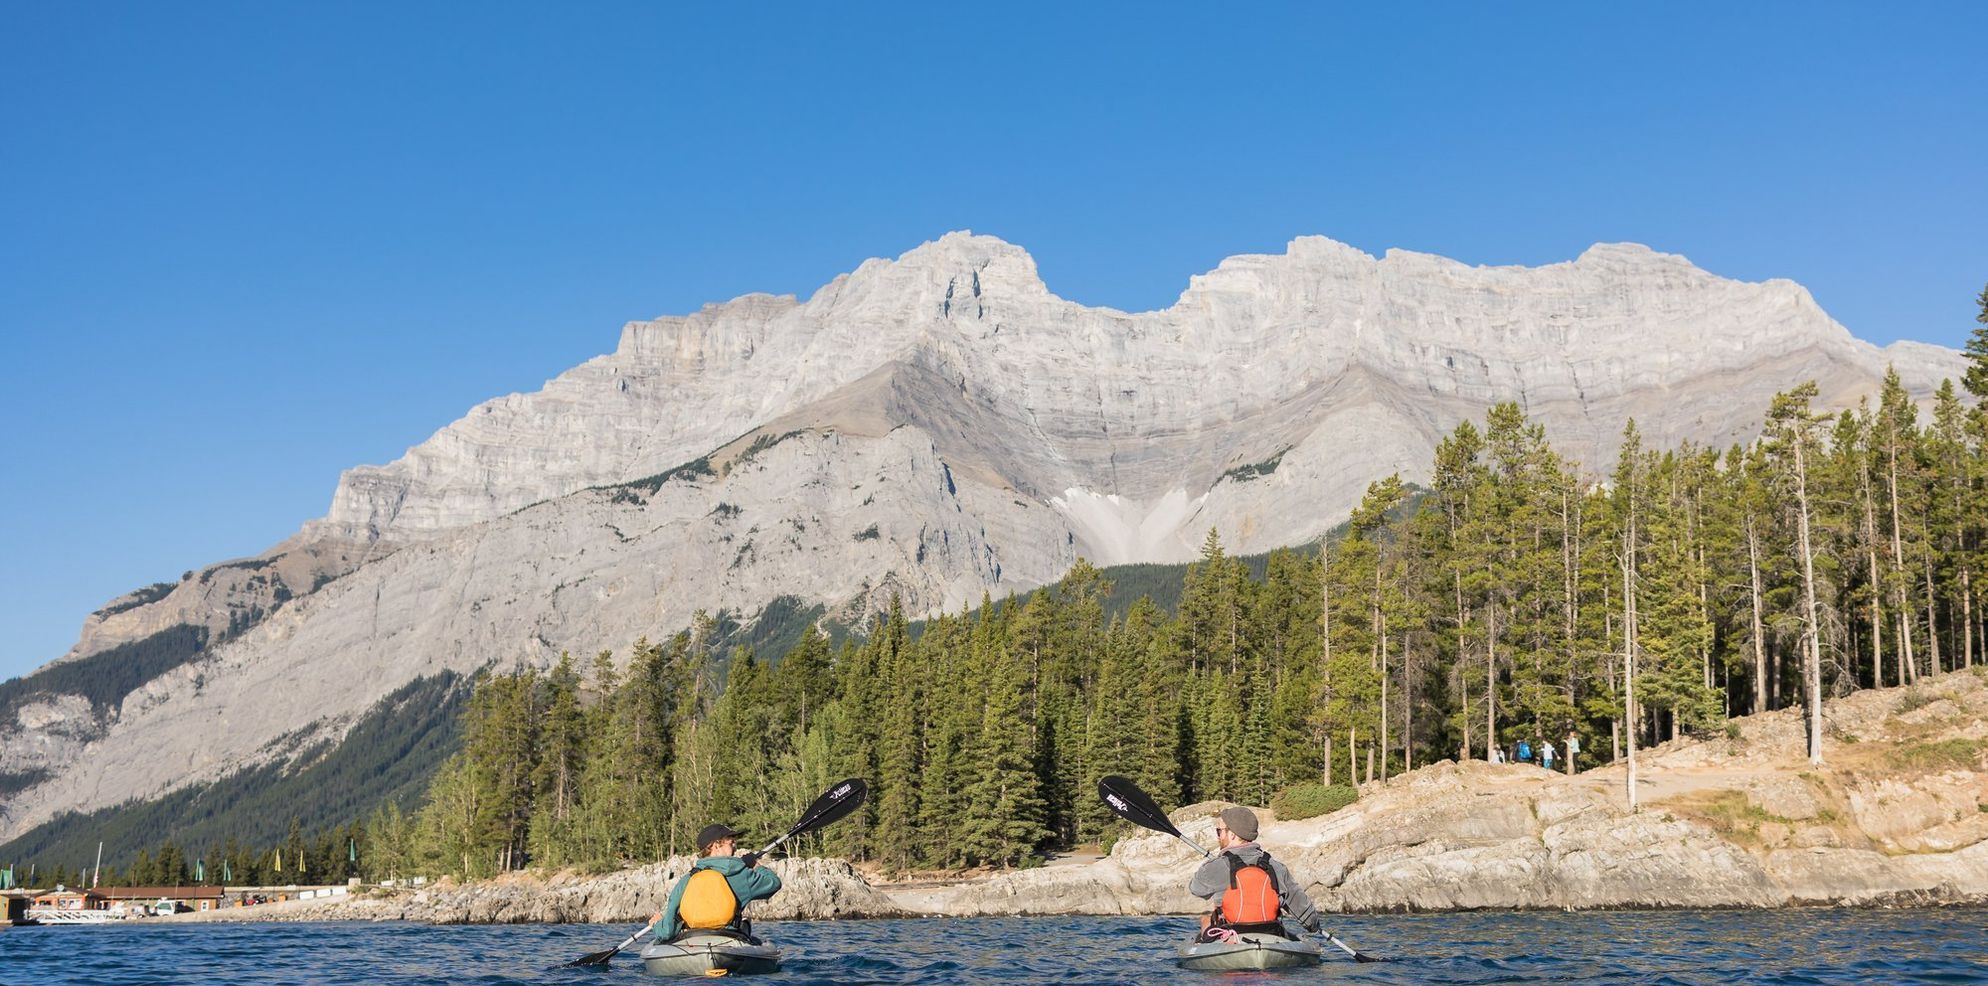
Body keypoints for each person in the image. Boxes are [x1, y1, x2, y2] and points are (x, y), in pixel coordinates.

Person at [1187, 806, 1321, 942]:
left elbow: (1195, 888)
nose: (1218, 836)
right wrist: (1314, 927)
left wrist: (1215, 865)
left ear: (1232, 834)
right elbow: (1303, 910)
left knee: (1205, 919)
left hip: (1231, 937)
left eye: (1219, 831)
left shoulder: (1216, 866)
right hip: (1271, 934)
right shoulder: (1276, 867)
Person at [656, 823, 781, 943]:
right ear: (716, 846)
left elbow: (667, 931)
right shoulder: (742, 875)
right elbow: (774, 883)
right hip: (730, 939)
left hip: (693, 940)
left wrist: (656, 924)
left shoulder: (688, 879)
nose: (735, 846)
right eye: (731, 842)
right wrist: (755, 865)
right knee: (745, 924)